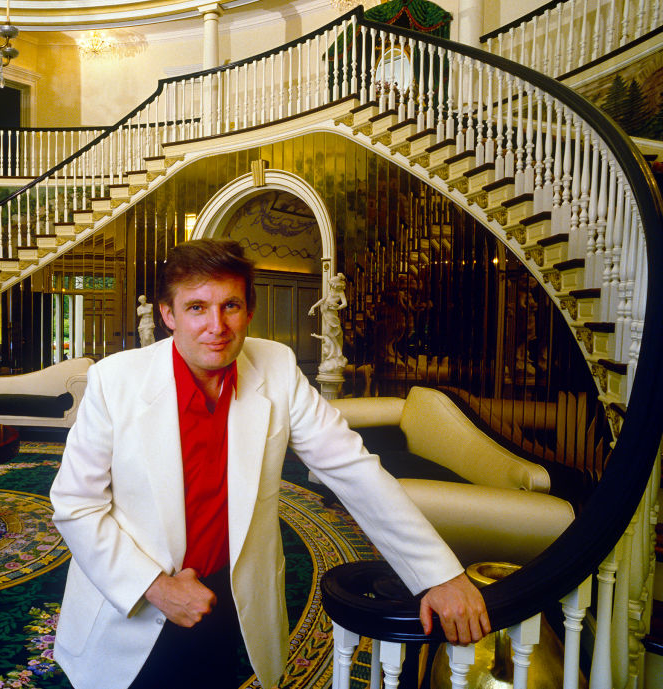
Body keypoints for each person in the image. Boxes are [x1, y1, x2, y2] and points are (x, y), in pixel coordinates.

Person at [50, 238, 489, 689]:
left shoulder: (276, 366)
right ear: (168, 315)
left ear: (249, 311)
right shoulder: (115, 380)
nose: (216, 326)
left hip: (227, 593)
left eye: (231, 306)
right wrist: (155, 588)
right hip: (131, 599)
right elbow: (74, 505)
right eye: (197, 307)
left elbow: (353, 468)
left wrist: (440, 574)